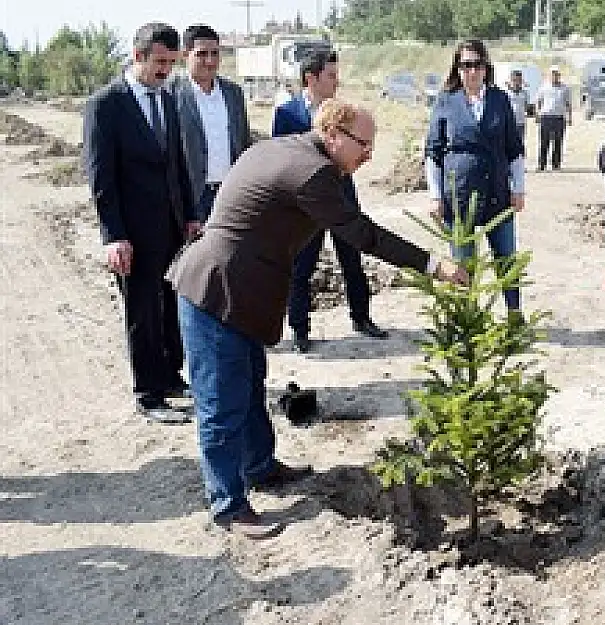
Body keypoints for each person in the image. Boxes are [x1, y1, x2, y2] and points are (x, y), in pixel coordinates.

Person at [167, 99, 467, 538]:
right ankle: (228, 506)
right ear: (333, 135)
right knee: (220, 402)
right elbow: (361, 232)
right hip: (216, 292)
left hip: (240, 293)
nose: (368, 154)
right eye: (363, 144)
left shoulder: (286, 148)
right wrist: (433, 266)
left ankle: (261, 468)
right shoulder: (312, 173)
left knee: (248, 386)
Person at [83, 22, 199, 424]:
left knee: (169, 305)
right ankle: (147, 393)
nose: (166, 70)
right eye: (160, 62)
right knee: (142, 310)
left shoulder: (167, 100)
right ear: (138, 56)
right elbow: (101, 177)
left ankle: (169, 376)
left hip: (170, 227)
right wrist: (113, 236)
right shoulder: (107, 104)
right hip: (132, 233)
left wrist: (189, 215)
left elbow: (177, 164)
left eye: (172, 62)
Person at [275, 49, 387, 352]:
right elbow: (284, 160)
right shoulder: (287, 114)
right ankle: (300, 328)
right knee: (302, 266)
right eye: (331, 75)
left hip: (342, 199)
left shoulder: (343, 113)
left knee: (352, 259)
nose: (336, 82)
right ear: (311, 78)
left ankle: (361, 318)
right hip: (307, 207)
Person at [425, 39, 526, 315]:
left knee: (507, 259)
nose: (471, 71)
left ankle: (514, 314)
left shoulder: (500, 99)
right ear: (457, 69)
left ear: (486, 68)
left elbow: (514, 149)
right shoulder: (445, 102)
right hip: (459, 198)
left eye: (477, 65)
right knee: (463, 264)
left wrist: (519, 188)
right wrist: (435, 195)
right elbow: (433, 153)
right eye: (465, 65)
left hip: (497, 193)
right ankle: (467, 317)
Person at [170, 24, 252, 224]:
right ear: (185, 54)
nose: (210, 61)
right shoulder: (170, 93)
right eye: (202, 54)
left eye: (215, 53)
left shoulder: (233, 93)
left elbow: (243, 141)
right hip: (191, 197)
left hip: (230, 192)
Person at [535, 64, 572, 171]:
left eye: (556, 74)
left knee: (558, 142)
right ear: (549, 75)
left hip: (559, 118)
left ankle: (556, 164)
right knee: (543, 142)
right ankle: (542, 165)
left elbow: (568, 103)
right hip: (545, 117)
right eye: (552, 74)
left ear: (559, 75)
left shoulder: (565, 88)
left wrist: (569, 117)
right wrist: (537, 114)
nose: (554, 76)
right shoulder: (543, 87)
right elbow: (538, 101)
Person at [505, 69, 529, 147]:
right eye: (515, 80)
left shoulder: (525, 93)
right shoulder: (506, 92)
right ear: (511, 80)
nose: (517, 82)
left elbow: (526, 106)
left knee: (519, 144)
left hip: (520, 123)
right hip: (508, 124)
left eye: (519, 80)